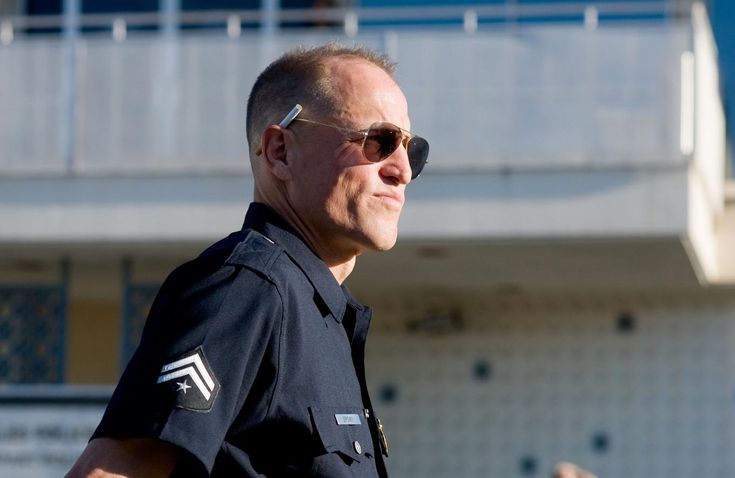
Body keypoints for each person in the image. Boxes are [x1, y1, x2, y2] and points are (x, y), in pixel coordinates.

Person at [66, 43, 428, 478]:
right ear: (279, 151)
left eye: (412, 149)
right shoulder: (247, 288)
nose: (402, 170)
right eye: (380, 141)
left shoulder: (316, 310)